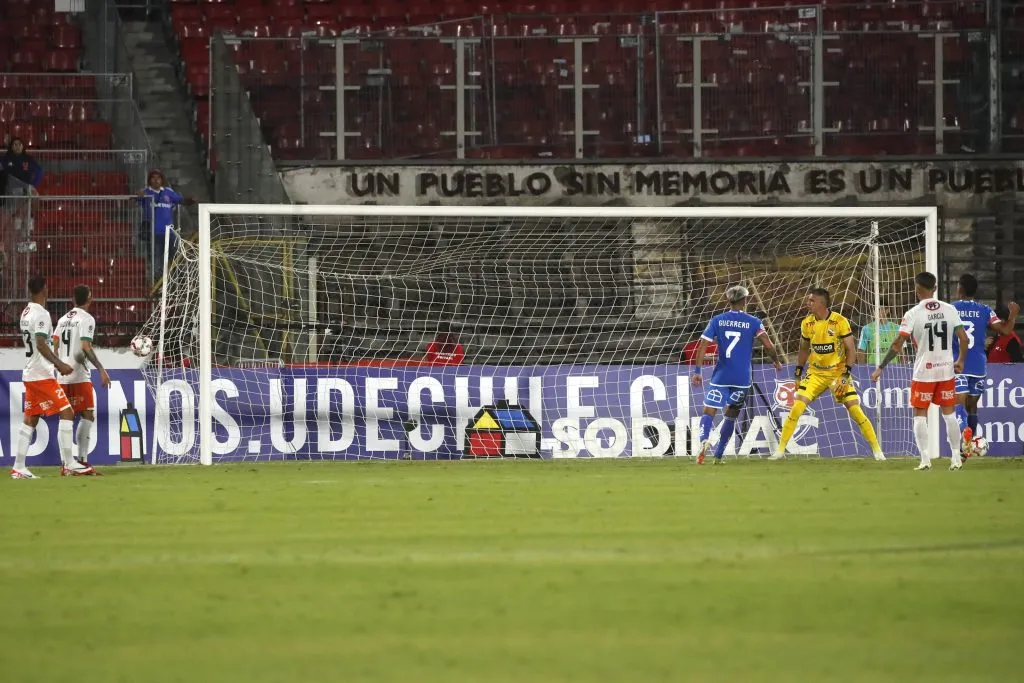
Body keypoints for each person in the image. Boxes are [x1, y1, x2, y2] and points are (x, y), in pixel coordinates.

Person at [770, 287, 885, 461]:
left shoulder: (839, 321)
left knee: (855, 410)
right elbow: (803, 349)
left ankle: (878, 452)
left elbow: (851, 350)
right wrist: (797, 373)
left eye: (811, 301)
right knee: (797, 407)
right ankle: (779, 451)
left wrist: (845, 377)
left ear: (821, 303)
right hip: (815, 373)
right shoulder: (806, 323)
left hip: (838, 373)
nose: (808, 303)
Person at [871, 272, 969, 471]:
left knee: (919, 414)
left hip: (924, 372)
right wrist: (960, 361)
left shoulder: (913, 313)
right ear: (934, 288)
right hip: (946, 371)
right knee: (949, 414)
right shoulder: (950, 309)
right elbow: (964, 338)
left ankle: (925, 460)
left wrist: (881, 367)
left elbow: (898, 343)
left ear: (917, 289)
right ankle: (956, 458)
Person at [13, 276, 95, 478]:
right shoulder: (42, 314)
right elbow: (41, 344)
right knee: (67, 412)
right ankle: (69, 464)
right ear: (45, 290)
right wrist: (59, 364)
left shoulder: (25, 312)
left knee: (30, 419)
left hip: (30, 372)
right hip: (42, 375)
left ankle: (18, 467)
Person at [690, 285, 783, 464]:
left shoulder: (717, 320)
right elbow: (768, 344)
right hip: (742, 378)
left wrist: (698, 371)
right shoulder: (754, 322)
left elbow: (702, 345)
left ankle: (704, 440)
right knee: (731, 416)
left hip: (722, 375)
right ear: (745, 300)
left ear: (728, 300)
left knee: (709, 411)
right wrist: (776, 361)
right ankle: (718, 456)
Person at [951, 274, 1019, 450]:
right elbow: (1005, 331)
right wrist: (1012, 316)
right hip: (979, 365)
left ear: (960, 288)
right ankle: (970, 443)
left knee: (959, 402)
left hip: (959, 363)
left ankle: (965, 434)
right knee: (972, 406)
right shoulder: (985, 310)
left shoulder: (950, 309)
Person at [53, 284, 112, 469]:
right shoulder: (87, 319)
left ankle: (66, 463)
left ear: (73, 300)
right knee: (87, 415)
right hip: (79, 375)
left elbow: (54, 346)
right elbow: (86, 347)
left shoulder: (62, 319)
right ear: (89, 299)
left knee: (65, 418)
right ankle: (82, 460)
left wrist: (59, 366)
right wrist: (101, 369)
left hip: (62, 375)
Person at [137, 169, 188, 277]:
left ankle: (178, 279)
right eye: (153, 177)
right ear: (149, 180)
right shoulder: (145, 192)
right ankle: (158, 285)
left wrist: (190, 200)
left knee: (175, 255)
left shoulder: (168, 192)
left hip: (169, 231)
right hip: (153, 232)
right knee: (157, 259)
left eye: (158, 178)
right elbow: (134, 202)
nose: (156, 180)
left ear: (162, 180)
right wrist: (138, 196)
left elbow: (181, 200)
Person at [856, 299, 900, 366]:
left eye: (879, 309)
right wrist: (862, 369)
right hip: (873, 369)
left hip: (893, 370)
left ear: (887, 310)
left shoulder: (897, 328)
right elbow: (860, 350)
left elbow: (902, 351)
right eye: (875, 309)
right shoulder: (867, 329)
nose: (876, 312)